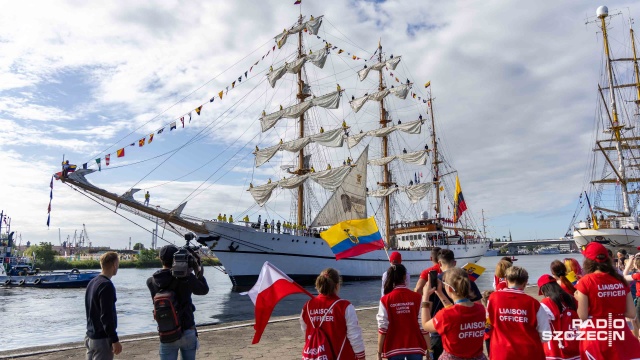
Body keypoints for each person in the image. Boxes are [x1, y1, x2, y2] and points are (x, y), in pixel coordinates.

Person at [575, 242, 640, 359]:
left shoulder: (585, 281)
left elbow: (582, 315)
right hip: (621, 334)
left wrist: (578, 298)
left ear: (588, 261)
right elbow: (631, 313)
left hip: (597, 336)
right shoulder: (620, 280)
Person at [147, 245, 209, 360]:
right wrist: (197, 269)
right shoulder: (186, 277)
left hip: (167, 331)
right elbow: (203, 290)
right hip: (188, 329)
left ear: (160, 259)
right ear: (177, 258)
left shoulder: (151, 281)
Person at [421, 267, 487, 360]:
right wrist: (440, 293)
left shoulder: (446, 315)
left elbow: (426, 325)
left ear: (449, 288)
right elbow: (456, 311)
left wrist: (425, 297)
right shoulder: (480, 309)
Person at [300, 268, 366, 359]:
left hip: (316, 356)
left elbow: (306, 332)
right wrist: (361, 356)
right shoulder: (344, 306)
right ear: (337, 285)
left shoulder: (307, 306)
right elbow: (354, 336)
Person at [486, 266, 549, 360]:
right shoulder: (533, 303)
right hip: (529, 352)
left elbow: (488, 324)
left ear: (506, 281)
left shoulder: (493, 298)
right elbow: (545, 334)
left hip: (501, 351)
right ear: (525, 283)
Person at [378, 264, 428, 360]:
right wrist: (429, 349)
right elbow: (422, 325)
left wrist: (379, 352)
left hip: (394, 348)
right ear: (405, 277)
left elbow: (382, 328)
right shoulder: (417, 297)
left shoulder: (385, 299)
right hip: (415, 346)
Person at [85, 252, 122, 359]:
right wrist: (114, 340)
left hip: (90, 335)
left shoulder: (92, 283)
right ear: (114, 264)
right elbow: (106, 315)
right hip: (102, 339)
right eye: (118, 264)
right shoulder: (106, 285)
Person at [537, 274, 580, 360]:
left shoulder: (547, 303)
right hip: (576, 344)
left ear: (544, 289)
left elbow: (541, 325)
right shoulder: (571, 299)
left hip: (556, 350)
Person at [481, 290, 494, 358]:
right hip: (491, 336)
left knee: (491, 355)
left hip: (489, 336)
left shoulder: (483, 311)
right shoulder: (486, 312)